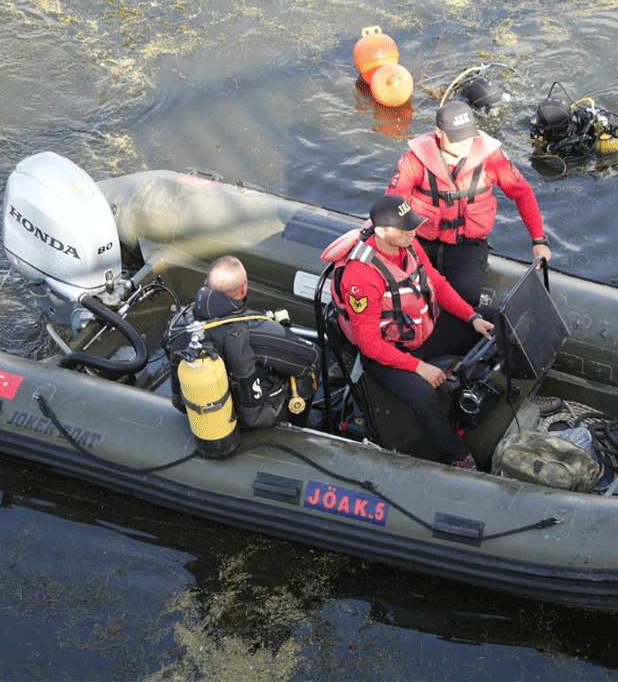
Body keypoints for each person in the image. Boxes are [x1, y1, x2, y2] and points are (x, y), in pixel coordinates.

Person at [321, 194, 496, 468]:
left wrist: (471, 316)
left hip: (422, 331)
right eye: (405, 228)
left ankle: (501, 389)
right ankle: (457, 457)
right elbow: (369, 345)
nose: (413, 231)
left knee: (493, 320)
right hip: (388, 354)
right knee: (424, 399)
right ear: (381, 232)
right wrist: (418, 367)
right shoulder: (361, 276)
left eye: (413, 225)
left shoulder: (410, 244)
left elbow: (435, 282)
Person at [385, 100, 551, 307]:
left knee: (465, 299)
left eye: (468, 136)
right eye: (457, 138)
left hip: (467, 245)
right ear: (439, 132)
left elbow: (523, 193)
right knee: (407, 298)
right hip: (420, 242)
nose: (465, 144)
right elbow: (391, 206)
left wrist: (539, 240)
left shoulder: (491, 158)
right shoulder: (415, 160)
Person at [164, 255, 317, 428]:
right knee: (309, 369)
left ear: (206, 284)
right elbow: (309, 356)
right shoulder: (258, 331)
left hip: (194, 407)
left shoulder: (179, 323)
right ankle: (299, 426)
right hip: (251, 418)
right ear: (243, 289)